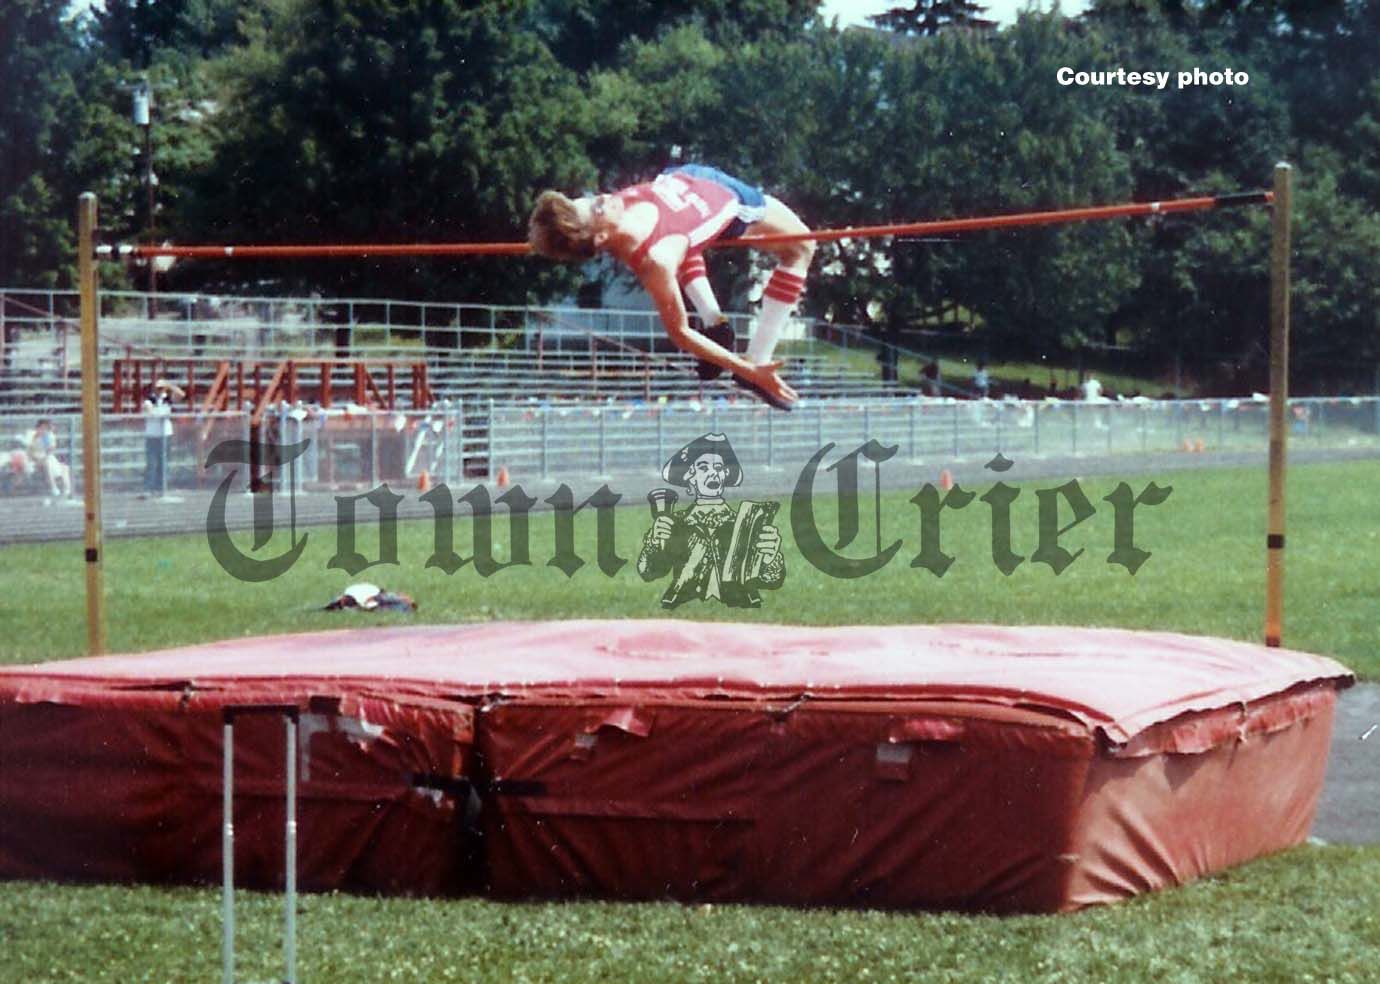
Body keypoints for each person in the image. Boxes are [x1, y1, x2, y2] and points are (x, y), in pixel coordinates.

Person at [528, 164, 814, 410]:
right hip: (730, 199)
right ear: (601, 236)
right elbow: (680, 332)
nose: (603, 196)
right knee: (802, 247)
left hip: (684, 176)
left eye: (592, 199)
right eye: (597, 207)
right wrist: (748, 370)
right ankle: (758, 357)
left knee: (686, 241)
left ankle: (713, 319)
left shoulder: (617, 212)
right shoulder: (657, 261)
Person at [637, 433, 785, 608]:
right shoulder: (674, 522)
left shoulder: (745, 523)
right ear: (690, 476)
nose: (713, 473)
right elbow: (649, 572)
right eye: (703, 468)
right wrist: (655, 542)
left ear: (724, 475)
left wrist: (770, 556)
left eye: (718, 468)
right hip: (684, 607)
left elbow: (772, 580)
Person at [142, 378, 185, 497]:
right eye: (158, 388)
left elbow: (181, 394)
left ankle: (161, 488)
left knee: (164, 462)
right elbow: (151, 412)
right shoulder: (149, 400)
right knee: (151, 463)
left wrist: (169, 385)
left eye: (162, 388)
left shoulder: (167, 399)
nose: (160, 391)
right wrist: (162, 413)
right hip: (152, 435)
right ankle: (148, 488)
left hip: (165, 434)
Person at [26, 418, 72, 499]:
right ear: (37, 428)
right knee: (47, 463)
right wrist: (37, 459)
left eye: (45, 428)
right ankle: (53, 488)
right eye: (41, 428)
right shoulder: (31, 435)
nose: (43, 430)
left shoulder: (49, 436)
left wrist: (47, 442)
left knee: (65, 468)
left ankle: (67, 491)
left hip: (47, 458)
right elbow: (29, 452)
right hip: (33, 460)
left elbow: (51, 451)